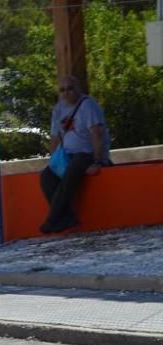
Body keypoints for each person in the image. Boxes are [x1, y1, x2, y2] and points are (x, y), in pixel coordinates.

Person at [39, 76, 110, 234]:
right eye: (62, 90)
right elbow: (55, 137)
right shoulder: (58, 109)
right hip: (67, 155)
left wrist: (98, 161)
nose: (66, 93)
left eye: (70, 88)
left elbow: (97, 134)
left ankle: (52, 220)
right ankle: (67, 218)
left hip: (86, 154)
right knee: (46, 176)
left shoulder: (88, 105)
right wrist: (53, 162)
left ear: (78, 89)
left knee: (73, 170)